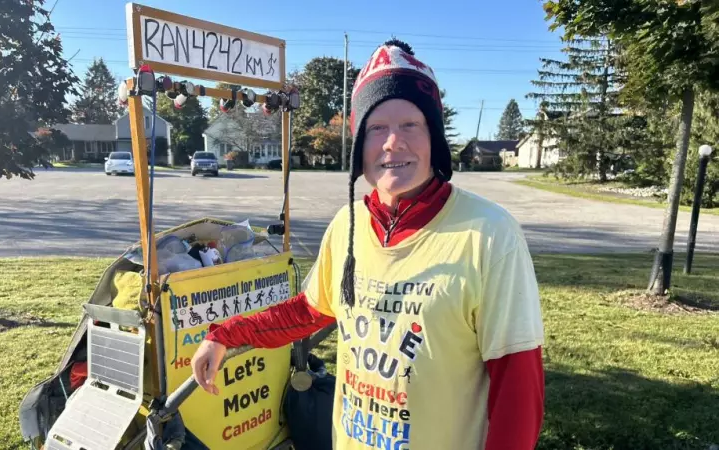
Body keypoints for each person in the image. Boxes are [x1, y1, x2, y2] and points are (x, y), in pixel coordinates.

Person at [191, 39, 545, 449]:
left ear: (434, 137)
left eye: (410, 124)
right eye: (377, 128)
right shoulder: (348, 224)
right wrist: (226, 334)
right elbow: (310, 311)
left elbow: (518, 385)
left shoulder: (489, 234)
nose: (393, 142)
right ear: (361, 144)